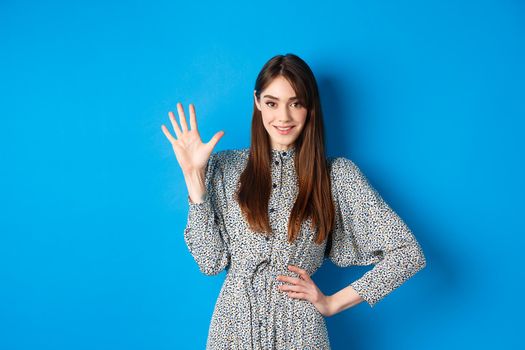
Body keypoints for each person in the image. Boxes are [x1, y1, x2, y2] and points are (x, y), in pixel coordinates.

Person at [161, 53, 427, 349]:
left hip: (300, 333)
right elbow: (210, 263)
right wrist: (194, 180)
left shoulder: (336, 176)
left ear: (310, 107)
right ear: (257, 102)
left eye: (296, 103)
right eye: (272, 103)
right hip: (232, 330)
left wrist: (332, 303)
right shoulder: (225, 167)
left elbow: (408, 254)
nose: (283, 117)